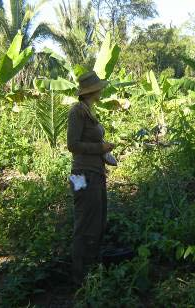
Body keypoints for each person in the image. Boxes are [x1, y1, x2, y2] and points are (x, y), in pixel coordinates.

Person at [67, 71, 115, 284]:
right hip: (82, 175)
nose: (102, 90)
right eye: (99, 87)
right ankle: (80, 274)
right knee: (85, 221)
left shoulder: (88, 110)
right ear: (92, 91)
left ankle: (90, 268)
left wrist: (104, 153)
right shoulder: (77, 111)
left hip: (94, 173)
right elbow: (73, 145)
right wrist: (100, 148)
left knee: (97, 219)